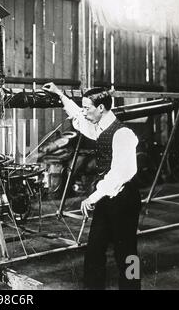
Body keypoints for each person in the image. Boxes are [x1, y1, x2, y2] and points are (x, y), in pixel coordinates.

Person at [42, 82, 142, 290]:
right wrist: (60, 94)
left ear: (101, 108)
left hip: (124, 198)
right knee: (94, 251)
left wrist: (92, 197)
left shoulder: (123, 135)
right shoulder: (100, 127)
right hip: (106, 196)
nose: (84, 111)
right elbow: (78, 117)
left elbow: (120, 174)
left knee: (128, 254)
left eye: (88, 107)